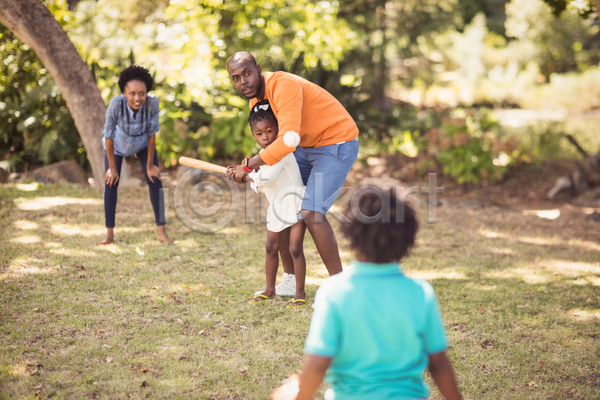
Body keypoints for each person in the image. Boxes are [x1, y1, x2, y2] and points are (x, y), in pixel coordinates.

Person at [270, 187, 462, 400]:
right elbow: (439, 363)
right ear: (408, 239)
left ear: (350, 235)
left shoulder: (334, 292)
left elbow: (318, 363)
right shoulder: (420, 292)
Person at [226, 52, 359, 284]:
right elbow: (272, 141)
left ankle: (340, 287)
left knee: (311, 212)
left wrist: (247, 166)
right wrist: (248, 172)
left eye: (247, 73)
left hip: (336, 142)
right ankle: (289, 279)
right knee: (285, 203)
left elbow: (288, 139)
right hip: (304, 146)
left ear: (258, 69)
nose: (243, 82)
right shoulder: (255, 101)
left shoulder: (282, 85)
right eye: (236, 78)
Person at [227, 100, 308, 307]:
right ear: (253, 134)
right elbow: (256, 170)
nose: (265, 137)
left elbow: (265, 176)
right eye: (259, 133)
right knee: (271, 247)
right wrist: (238, 170)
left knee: (295, 248)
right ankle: (270, 289)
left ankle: (300, 293)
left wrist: (242, 175)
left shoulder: (281, 151)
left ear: (277, 130)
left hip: (296, 202)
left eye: (269, 131)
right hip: (278, 207)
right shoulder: (263, 156)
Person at [98, 65, 172, 245]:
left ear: (147, 92)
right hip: (117, 144)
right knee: (111, 183)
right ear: (124, 92)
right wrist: (113, 169)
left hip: (142, 143)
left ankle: (161, 232)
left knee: (155, 180)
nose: (137, 98)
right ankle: (109, 234)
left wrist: (149, 166)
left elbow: (152, 134)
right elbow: (108, 135)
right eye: (132, 93)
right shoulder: (116, 104)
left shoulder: (152, 103)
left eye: (141, 93)